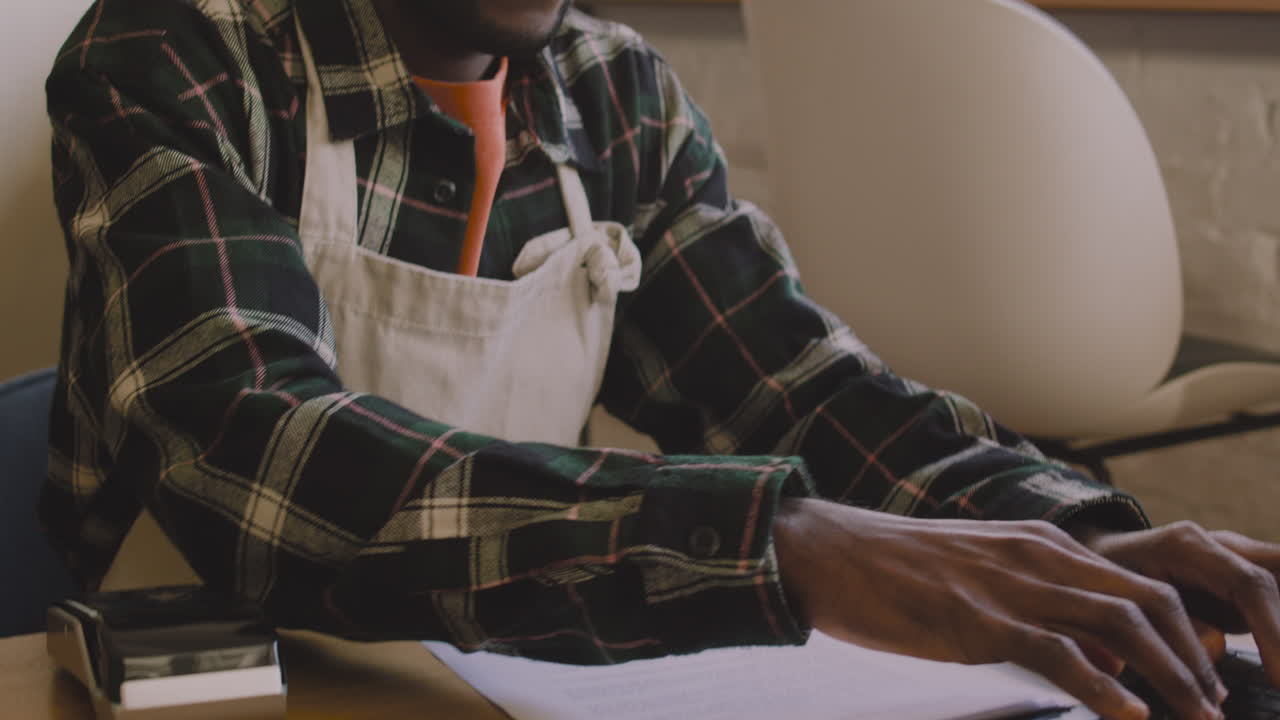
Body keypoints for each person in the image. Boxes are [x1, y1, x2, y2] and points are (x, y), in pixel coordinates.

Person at [38, 1, 1280, 718]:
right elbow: (260, 457)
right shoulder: (173, 56)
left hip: (475, 691)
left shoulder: (609, 89)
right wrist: (786, 544)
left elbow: (795, 389)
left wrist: (1072, 538)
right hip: (222, 691)